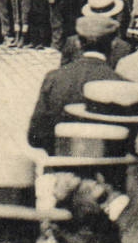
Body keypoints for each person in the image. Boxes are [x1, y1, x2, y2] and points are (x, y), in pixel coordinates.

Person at [27, 14, 122, 150]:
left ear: (78, 43)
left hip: (60, 158)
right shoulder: (120, 82)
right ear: (113, 44)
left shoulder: (54, 78)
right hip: (107, 162)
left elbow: (35, 136)